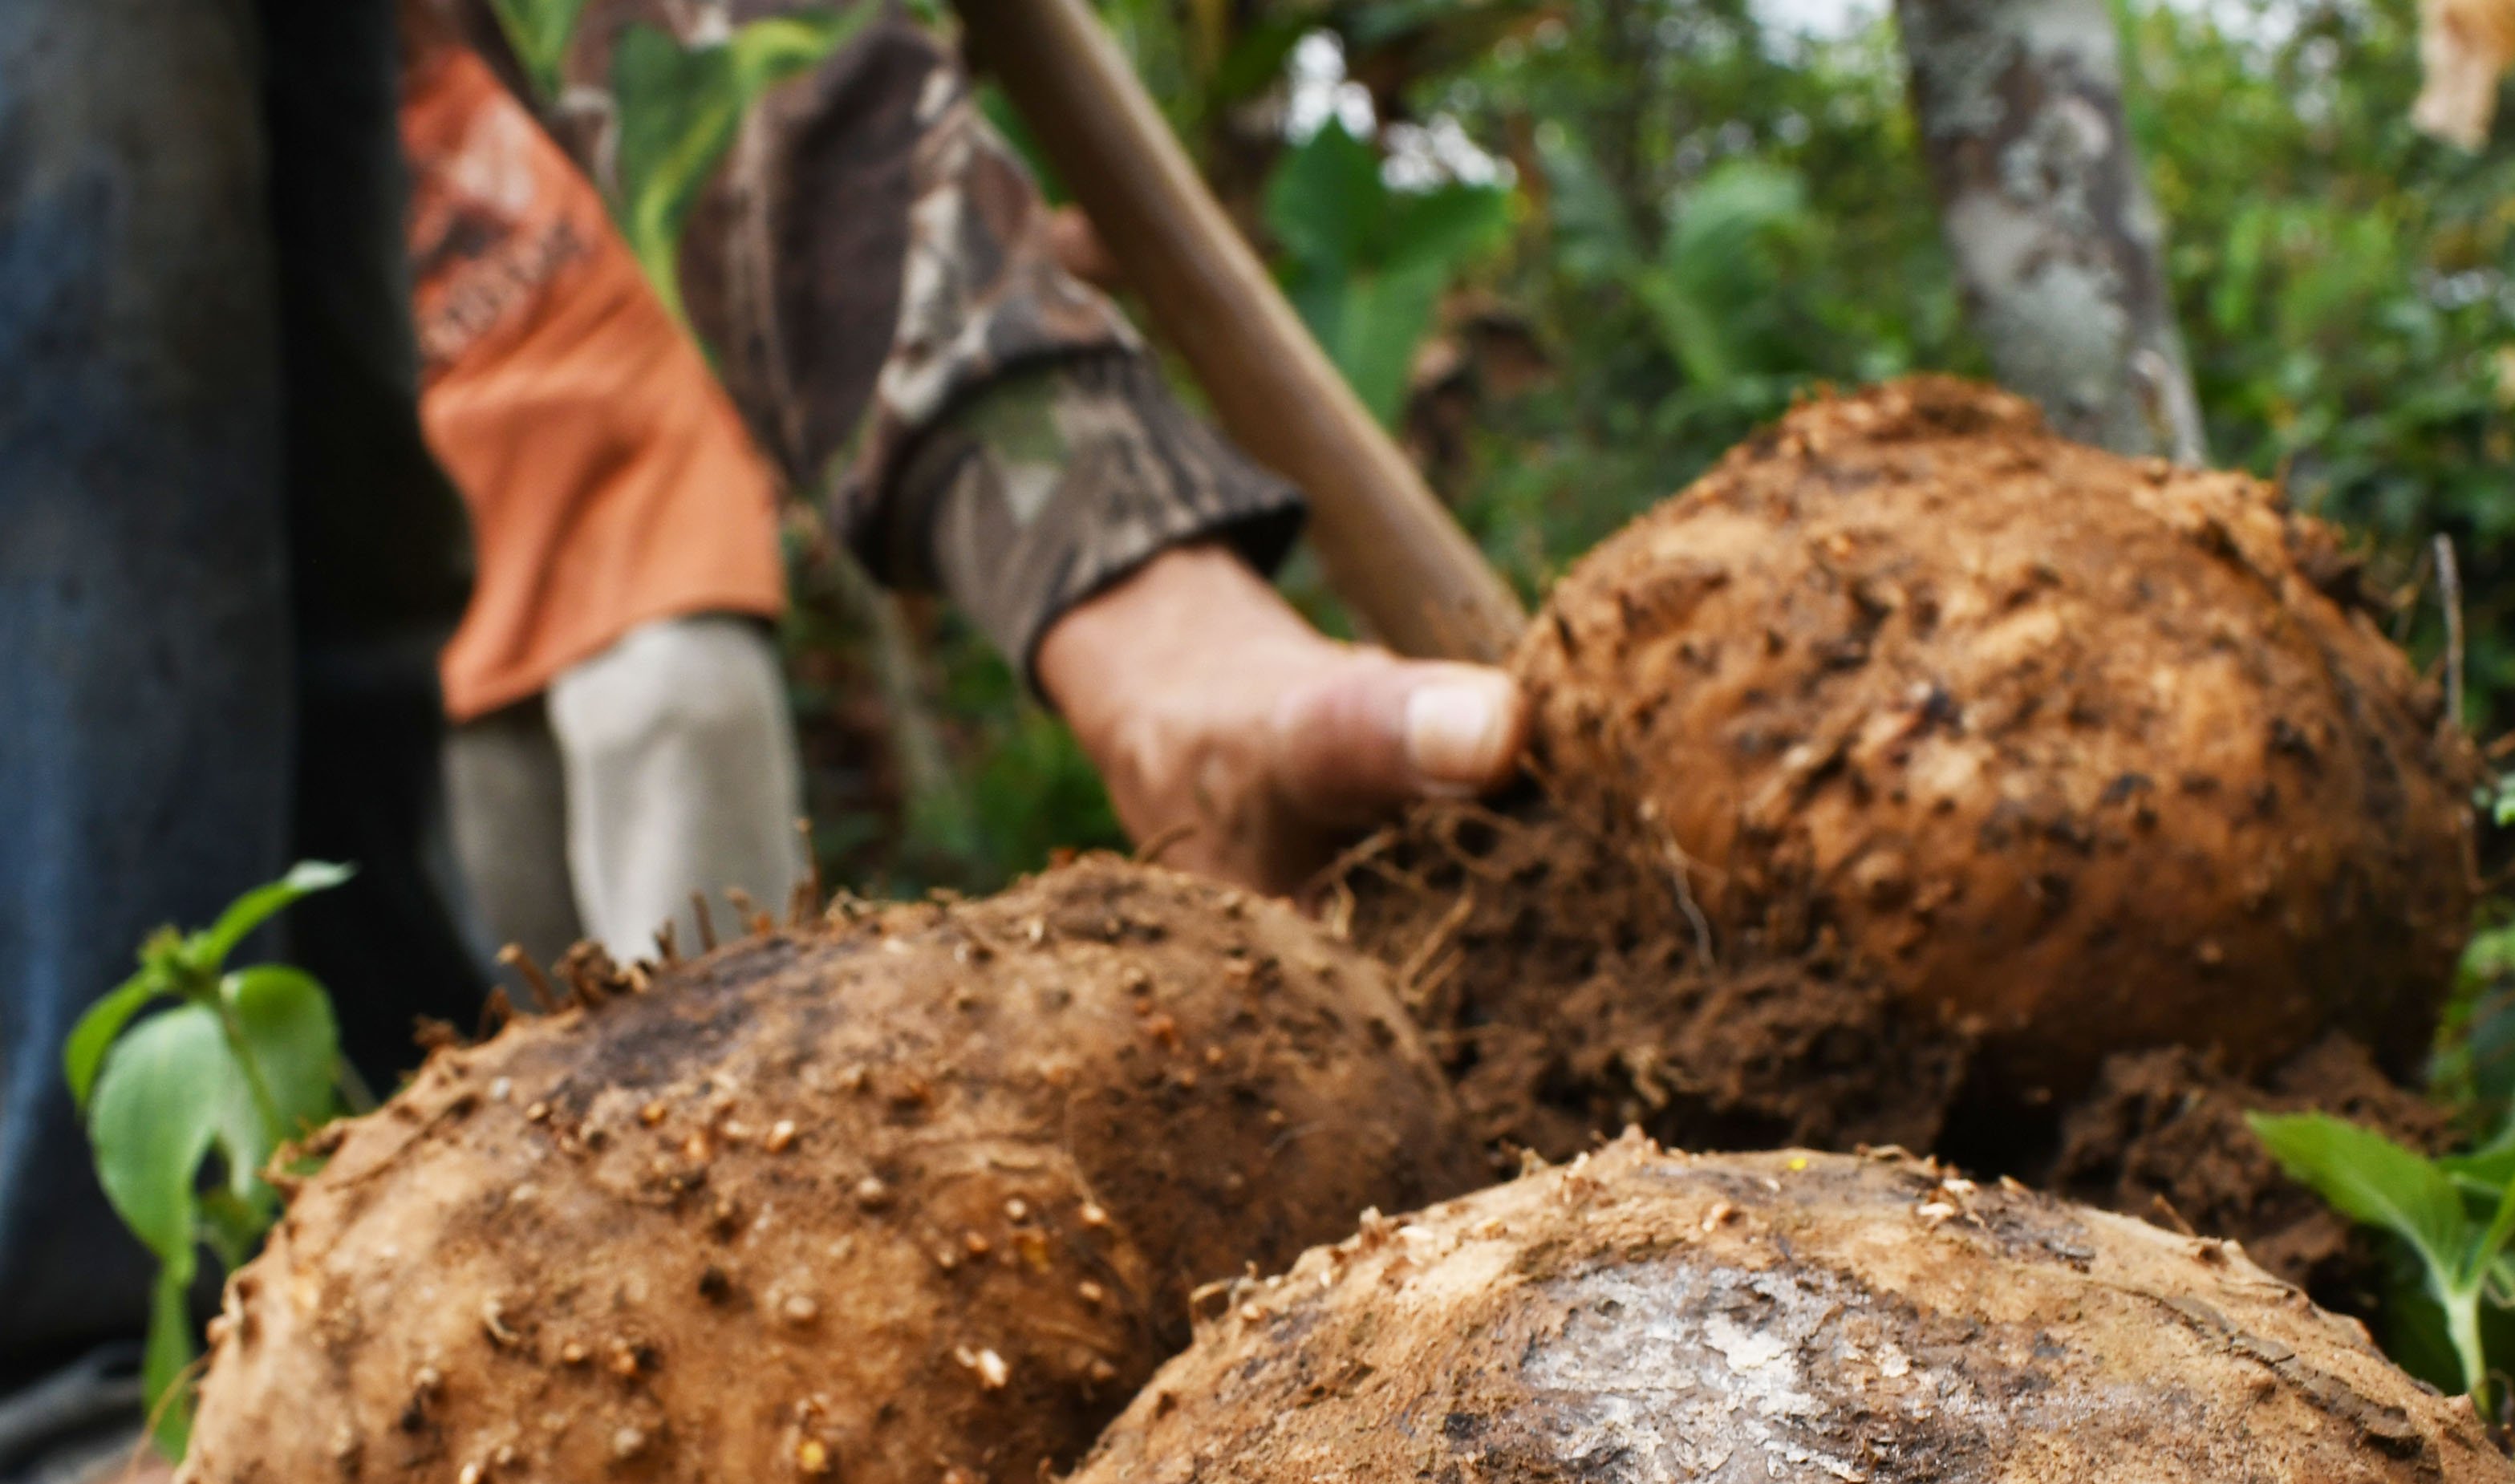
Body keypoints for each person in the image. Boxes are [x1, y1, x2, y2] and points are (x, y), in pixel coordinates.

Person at [0, 0, 1523, 1393]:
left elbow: (696, 52)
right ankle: (98, 1365)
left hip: (648, 566)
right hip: (483, 628)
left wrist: (1141, 612)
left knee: (672, 1046)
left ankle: (269, 1341)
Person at [404, 18, 808, 968]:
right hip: (444, 608)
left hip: (652, 507)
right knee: (522, 1053)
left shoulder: (507, 39)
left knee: (718, 994)